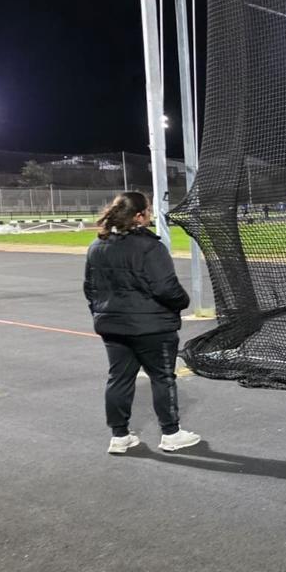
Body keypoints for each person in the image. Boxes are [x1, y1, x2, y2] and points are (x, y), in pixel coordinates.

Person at [83, 192, 202, 454]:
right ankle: (171, 433)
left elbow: (90, 289)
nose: (149, 215)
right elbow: (166, 288)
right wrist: (182, 301)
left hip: (112, 325)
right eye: (147, 210)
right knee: (162, 378)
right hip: (152, 327)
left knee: (119, 379)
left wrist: (102, 314)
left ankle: (119, 436)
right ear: (139, 216)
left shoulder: (97, 246)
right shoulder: (150, 247)